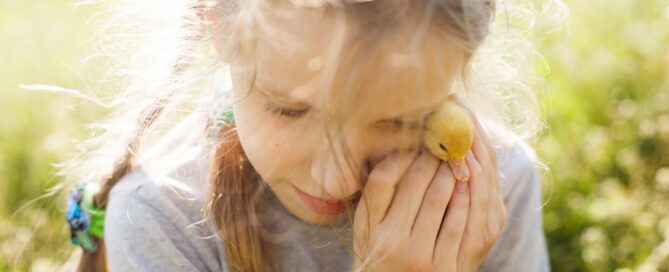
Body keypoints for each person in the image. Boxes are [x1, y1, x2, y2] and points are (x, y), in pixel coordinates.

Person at [63, 0, 562, 271]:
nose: (336, 177)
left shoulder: (489, 189)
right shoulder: (162, 221)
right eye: (288, 109)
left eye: (398, 120)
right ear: (217, 28)